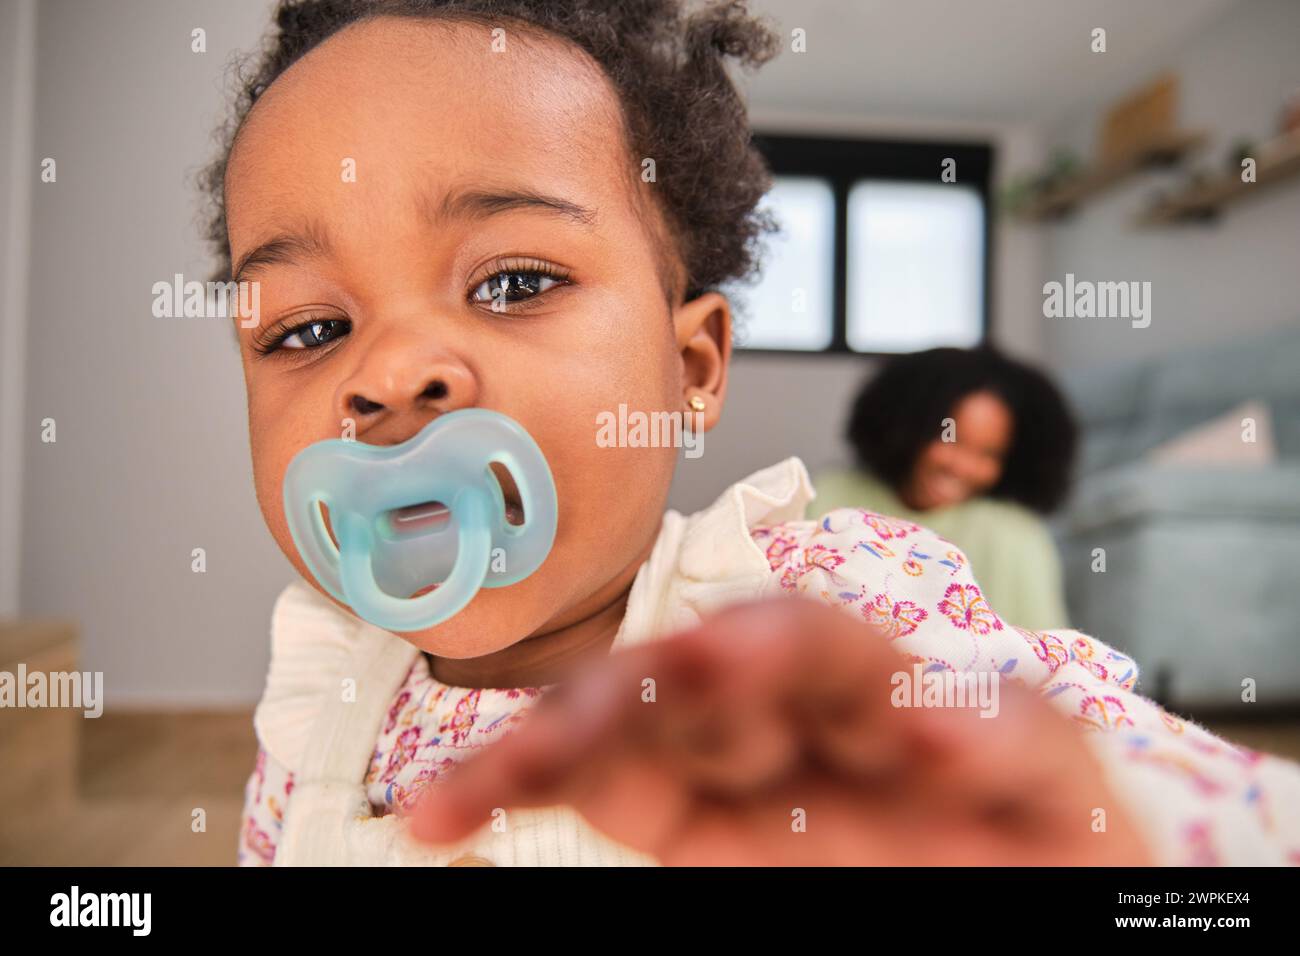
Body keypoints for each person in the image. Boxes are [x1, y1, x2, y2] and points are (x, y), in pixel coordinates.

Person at [205, 0, 1300, 867]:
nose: (387, 372)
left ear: (690, 366)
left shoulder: (835, 609)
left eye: (515, 280)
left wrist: (1093, 820)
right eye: (309, 326)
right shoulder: (319, 691)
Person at [813, 347, 1077, 631]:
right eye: (949, 439)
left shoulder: (1016, 538)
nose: (961, 467)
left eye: (989, 454)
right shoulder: (828, 496)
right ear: (908, 427)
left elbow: (1048, 653)